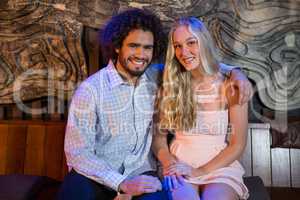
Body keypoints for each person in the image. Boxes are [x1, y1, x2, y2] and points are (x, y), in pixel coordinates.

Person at [58, 9, 252, 200]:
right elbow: (77, 153)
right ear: (117, 46)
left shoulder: (157, 75)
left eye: (147, 48)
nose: (141, 54)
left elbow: (199, 64)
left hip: (141, 173)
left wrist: (237, 73)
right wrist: (122, 184)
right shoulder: (90, 90)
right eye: (133, 46)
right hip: (97, 175)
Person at [152, 17, 249, 200]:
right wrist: (168, 162)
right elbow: (158, 139)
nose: (184, 52)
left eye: (191, 42)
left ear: (203, 42)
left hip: (220, 166)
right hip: (180, 163)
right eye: (178, 46)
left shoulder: (231, 86)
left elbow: (238, 144)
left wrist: (200, 171)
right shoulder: (170, 87)